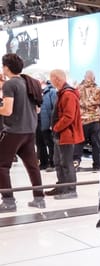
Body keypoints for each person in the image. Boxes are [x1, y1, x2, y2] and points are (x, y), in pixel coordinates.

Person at [0, 53, 45, 212]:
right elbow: (37, 108)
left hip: (13, 132)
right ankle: (39, 199)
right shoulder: (30, 82)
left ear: (6, 67)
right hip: (29, 130)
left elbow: (7, 110)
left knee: (2, 166)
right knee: (33, 166)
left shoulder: (10, 85)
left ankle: (8, 201)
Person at [46, 69, 84, 199]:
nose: (50, 81)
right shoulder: (62, 93)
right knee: (58, 162)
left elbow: (68, 117)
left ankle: (71, 190)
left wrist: (56, 127)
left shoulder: (68, 94)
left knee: (66, 163)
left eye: (51, 78)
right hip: (60, 135)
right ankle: (62, 187)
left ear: (57, 79)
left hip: (66, 135)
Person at [73, 71, 100, 171]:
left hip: (82, 121)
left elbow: (73, 104)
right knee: (96, 144)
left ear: (84, 77)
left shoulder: (77, 89)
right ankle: (97, 165)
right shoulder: (99, 89)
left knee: (79, 143)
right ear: (94, 78)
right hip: (95, 120)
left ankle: (76, 162)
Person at [36, 79, 57, 171]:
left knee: (50, 143)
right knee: (39, 143)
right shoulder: (36, 92)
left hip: (48, 122)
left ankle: (52, 163)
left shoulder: (51, 91)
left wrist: (52, 123)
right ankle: (43, 163)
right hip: (37, 121)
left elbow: (55, 108)